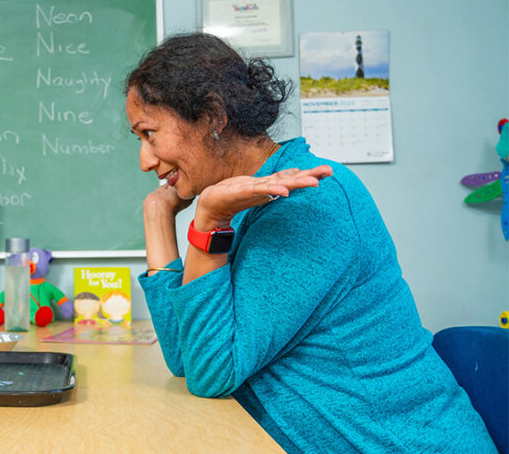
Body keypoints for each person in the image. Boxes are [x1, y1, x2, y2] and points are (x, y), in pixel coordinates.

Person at [126, 33, 496, 454]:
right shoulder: (245, 203)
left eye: (150, 134)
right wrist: (157, 218)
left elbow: (211, 371)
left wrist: (207, 222)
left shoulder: (311, 201)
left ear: (213, 116)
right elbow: (188, 358)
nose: (145, 160)